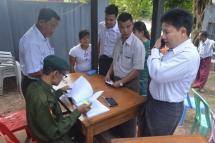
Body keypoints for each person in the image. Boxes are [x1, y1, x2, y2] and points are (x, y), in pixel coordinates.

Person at [140, 8, 200, 136]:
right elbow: (156, 63)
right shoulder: (171, 48)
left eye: (167, 32)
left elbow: (157, 73)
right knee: (145, 136)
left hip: (166, 109)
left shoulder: (188, 56)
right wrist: (157, 54)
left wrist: (155, 49)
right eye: (163, 32)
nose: (163, 36)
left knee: (155, 140)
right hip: (154, 102)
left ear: (183, 31)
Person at [25, 55, 91, 143]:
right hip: (51, 138)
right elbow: (54, 132)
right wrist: (78, 111)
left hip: (42, 129)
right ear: (55, 74)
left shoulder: (34, 86)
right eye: (63, 75)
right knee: (83, 125)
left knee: (78, 124)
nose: (63, 78)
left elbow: (47, 95)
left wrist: (59, 91)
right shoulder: (43, 100)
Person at [105, 12, 145, 137]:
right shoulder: (118, 40)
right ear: (118, 26)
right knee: (116, 112)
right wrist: (108, 73)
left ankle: (128, 139)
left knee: (128, 117)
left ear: (132, 25)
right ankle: (116, 137)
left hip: (130, 84)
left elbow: (137, 70)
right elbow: (115, 60)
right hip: (116, 81)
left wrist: (121, 82)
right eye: (122, 27)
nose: (125, 30)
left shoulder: (138, 45)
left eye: (128, 26)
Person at [19, 8, 60, 96]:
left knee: (47, 107)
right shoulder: (31, 42)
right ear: (41, 22)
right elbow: (34, 71)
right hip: (34, 84)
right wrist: (54, 76)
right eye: (52, 25)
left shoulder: (43, 35)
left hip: (44, 80)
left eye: (55, 26)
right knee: (40, 109)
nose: (54, 30)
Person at [98, 4, 121, 75]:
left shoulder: (120, 30)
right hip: (102, 59)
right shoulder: (101, 25)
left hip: (113, 61)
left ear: (116, 18)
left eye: (111, 20)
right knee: (100, 81)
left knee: (111, 83)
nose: (108, 22)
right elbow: (99, 41)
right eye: (106, 19)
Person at [133, 21, 150, 96]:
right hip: (136, 78)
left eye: (134, 32)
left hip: (145, 79)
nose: (132, 35)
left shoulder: (150, 44)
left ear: (142, 32)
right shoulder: (136, 44)